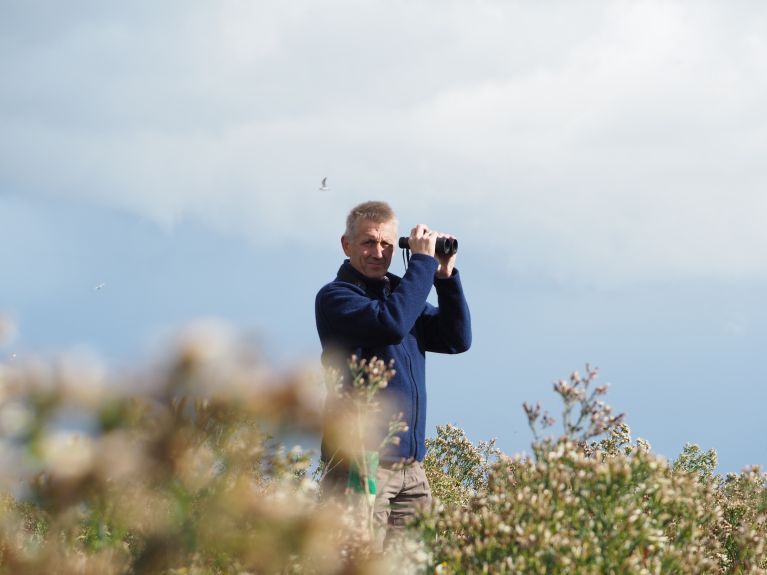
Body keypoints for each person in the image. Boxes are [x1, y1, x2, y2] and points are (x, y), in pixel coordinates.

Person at [315, 200, 471, 549]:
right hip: (360, 462)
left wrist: (444, 278)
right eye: (369, 242)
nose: (378, 252)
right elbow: (392, 324)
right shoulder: (336, 298)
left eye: (387, 243)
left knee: (411, 564)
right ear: (347, 244)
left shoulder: (400, 296)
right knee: (355, 563)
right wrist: (422, 263)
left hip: (411, 469)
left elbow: (457, 339)